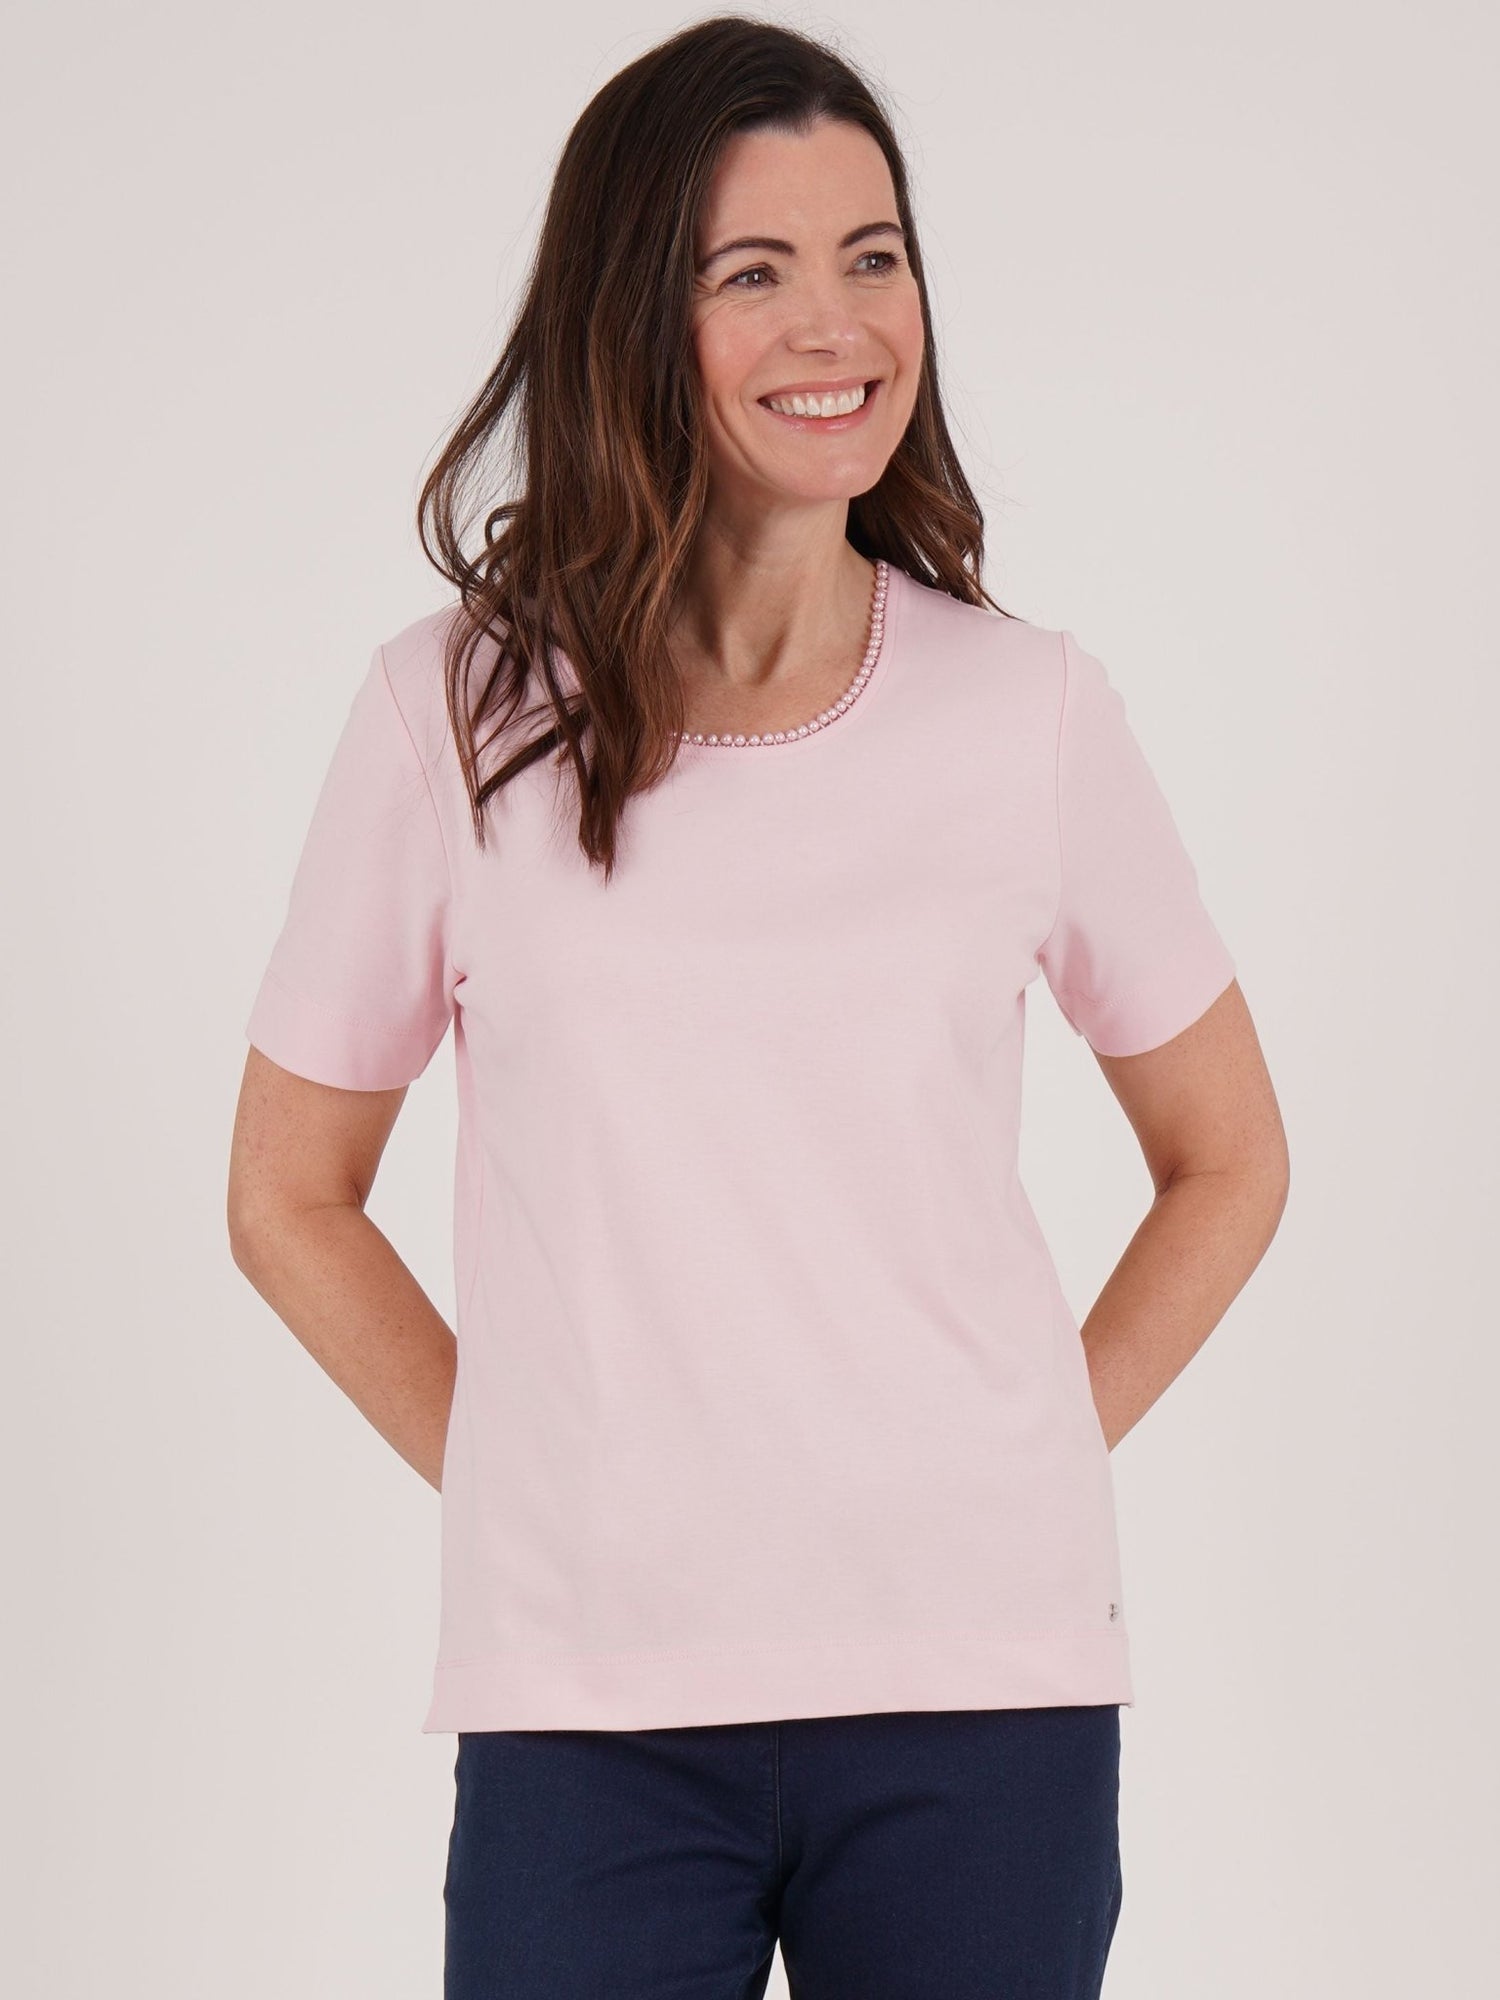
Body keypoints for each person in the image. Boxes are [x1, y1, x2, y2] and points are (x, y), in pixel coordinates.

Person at [227, 16, 1289, 1998]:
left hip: (981, 1697)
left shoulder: (1033, 713)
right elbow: (288, 1191)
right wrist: (532, 1479)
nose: (837, 323)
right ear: (635, 314)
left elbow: (1230, 1157)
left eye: (874, 255)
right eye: (755, 270)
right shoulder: (449, 715)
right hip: (588, 1713)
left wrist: (1019, 1455)